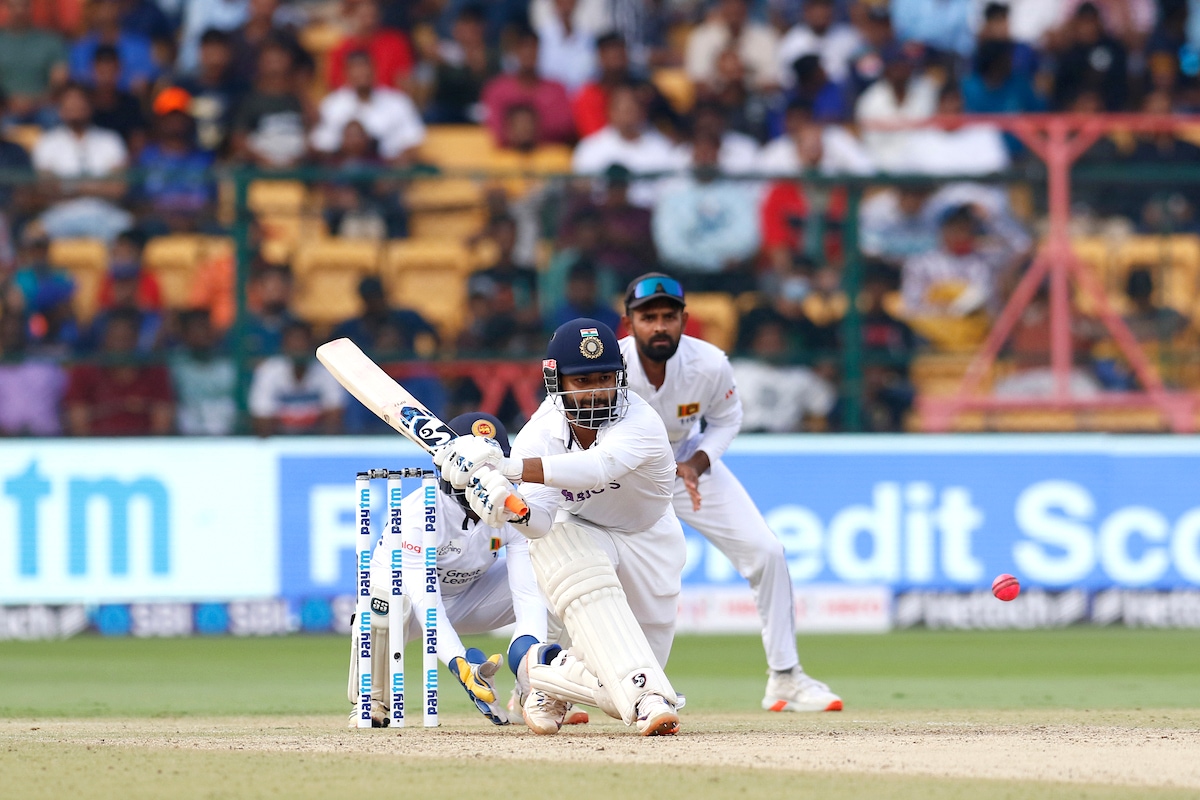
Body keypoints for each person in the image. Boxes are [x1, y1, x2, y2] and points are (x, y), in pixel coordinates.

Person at [434, 318, 686, 736]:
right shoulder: (540, 433)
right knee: (560, 542)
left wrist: (509, 467)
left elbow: (597, 468)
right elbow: (540, 522)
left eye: (606, 377)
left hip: (649, 535)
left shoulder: (642, 421)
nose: (596, 390)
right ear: (557, 380)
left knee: (638, 660)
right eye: (583, 379)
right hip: (582, 527)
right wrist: (508, 507)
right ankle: (646, 699)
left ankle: (547, 676)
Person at [617, 272, 843, 713]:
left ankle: (785, 677)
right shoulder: (613, 365)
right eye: (648, 318)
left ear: (684, 319)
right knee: (584, 563)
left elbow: (726, 419)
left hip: (686, 466)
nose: (659, 326)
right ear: (630, 322)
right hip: (625, 474)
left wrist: (697, 464)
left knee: (767, 552)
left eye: (668, 316)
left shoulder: (709, 364)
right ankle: (548, 682)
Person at [347, 412, 572, 729]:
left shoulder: (513, 508)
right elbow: (428, 603)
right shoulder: (417, 513)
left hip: (470, 599)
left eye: (492, 466)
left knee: (557, 579)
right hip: (409, 611)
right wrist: (460, 664)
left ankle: (533, 694)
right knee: (382, 608)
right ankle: (373, 701)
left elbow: (527, 595)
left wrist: (528, 661)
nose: (485, 478)